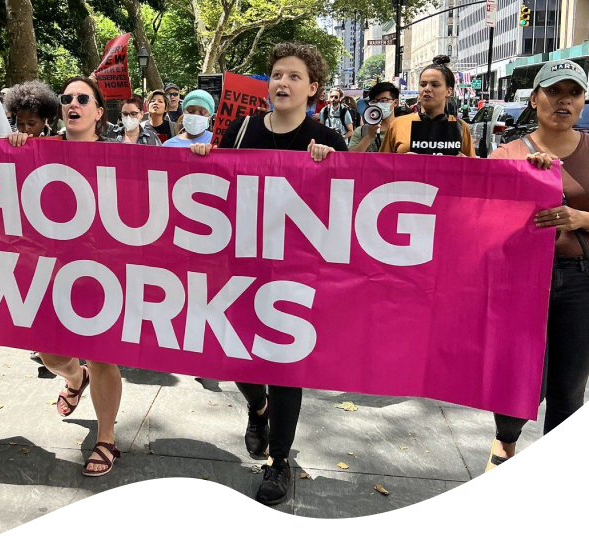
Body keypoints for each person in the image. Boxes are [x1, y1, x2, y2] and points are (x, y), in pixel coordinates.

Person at [188, 42, 346, 506]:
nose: (283, 83)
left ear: (312, 88)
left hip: (296, 272)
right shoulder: (240, 132)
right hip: (240, 265)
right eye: (277, 74)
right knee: (236, 355)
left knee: (285, 365)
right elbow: (214, 185)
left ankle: (280, 461)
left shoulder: (327, 142)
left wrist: (330, 168)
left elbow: (346, 207)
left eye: (294, 76)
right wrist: (202, 156)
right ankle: (258, 408)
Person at [5, 76, 124, 477]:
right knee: (52, 354)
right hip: (50, 270)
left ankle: (106, 438)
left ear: (98, 111)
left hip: (102, 271)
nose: (73, 103)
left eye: (82, 98)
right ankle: (76, 379)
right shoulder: (39, 150)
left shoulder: (122, 156)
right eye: (67, 98)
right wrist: (17, 151)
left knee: (103, 354)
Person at [487, 59, 589, 464]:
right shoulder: (507, 154)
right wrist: (520, 186)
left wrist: (582, 219)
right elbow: (480, 225)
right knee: (522, 378)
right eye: (553, 91)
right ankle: (504, 446)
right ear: (535, 99)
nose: (563, 101)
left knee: (569, 385)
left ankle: (562, 474)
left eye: (573, 93)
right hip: (521, 282)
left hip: (580, 280)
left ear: (583, 102)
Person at [380, 57, 476, 156]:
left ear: (449, 91)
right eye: (423, 84)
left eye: (435, 85)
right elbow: (381, 167)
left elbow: (473, 169)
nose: (427, 89)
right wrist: (402, 161)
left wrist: (464, 162)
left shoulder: (460, 127)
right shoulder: (398, 124)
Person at [349, 82, 399, 153]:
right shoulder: (361, 131)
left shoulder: (403, 129)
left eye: (383, 100)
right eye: (374, 101)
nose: (378, 104)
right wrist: (369, 136)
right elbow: (350, 158)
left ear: (395, 103)